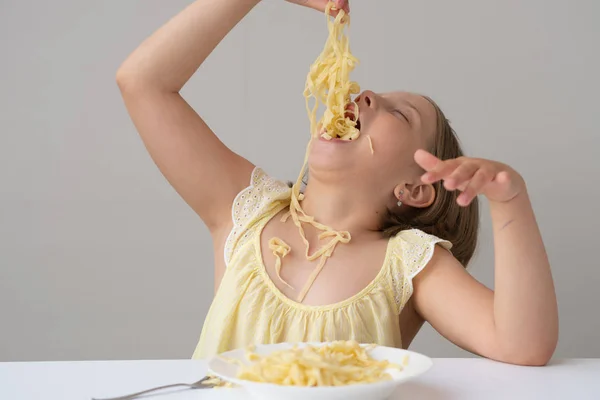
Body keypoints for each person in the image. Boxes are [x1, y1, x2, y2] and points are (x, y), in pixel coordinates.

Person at [116, 0, 558, 366]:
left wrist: (510, 200)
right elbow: (142, 83)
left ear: (414, 188)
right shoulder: (247, 211)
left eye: (400, 114)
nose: (364, 94)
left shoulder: (409, 265)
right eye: (373, 94)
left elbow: (522, 345)